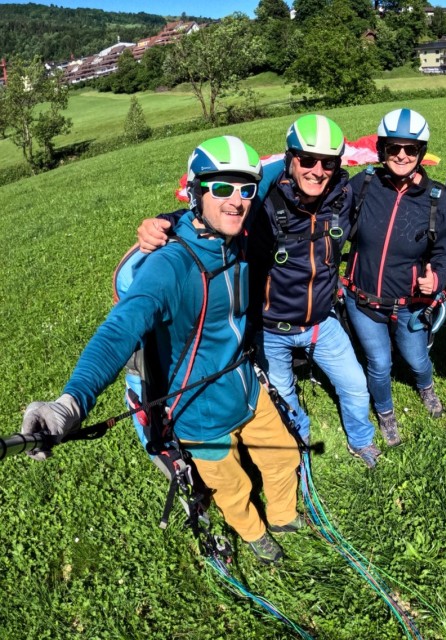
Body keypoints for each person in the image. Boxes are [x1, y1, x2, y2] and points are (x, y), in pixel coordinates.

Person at [21, 136, 301, 564]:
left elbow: (280, 164)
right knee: (232, 487)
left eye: (245, 189)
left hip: (246, 386)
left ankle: (283, 516)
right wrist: (72, 401)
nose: (237, 200)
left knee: (284, 457)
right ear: (194, 192)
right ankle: (253, 532)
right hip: (199, 412)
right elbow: (120, 329)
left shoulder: (237, 227)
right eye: (221, 188)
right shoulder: (170, 265)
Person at [139, 115, 381, 468]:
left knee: (356, 387)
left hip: (321, 323)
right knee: (284, 400)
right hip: (271, 331)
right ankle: (300, 445)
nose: (317, 170)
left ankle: (361, 441)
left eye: (328, 162)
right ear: (290, 158)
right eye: (307, 159)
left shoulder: (344, 196)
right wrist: (165, 222)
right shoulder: (263, 201)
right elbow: (213, 212)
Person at [342, 108, 446, 444]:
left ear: (421, 153)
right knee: (378, 363)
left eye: (411, 149)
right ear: (382, 150)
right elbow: (332, 225)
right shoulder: (362, 185)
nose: (402, 155)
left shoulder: (437, 199)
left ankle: (426, 387)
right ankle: (387, 413)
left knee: (417, 359)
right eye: (394, 148)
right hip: (363, 301)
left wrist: (437, 280)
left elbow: (445, 252)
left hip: (409, 304)